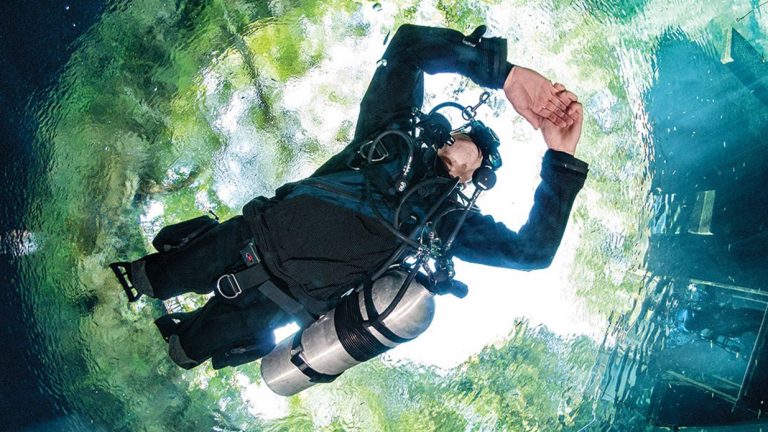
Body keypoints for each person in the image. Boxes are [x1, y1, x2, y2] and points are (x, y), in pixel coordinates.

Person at [111, 23, 588, 370]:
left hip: (281, 305)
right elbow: (407, 49)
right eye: (472, 144)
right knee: (145, 279)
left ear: (473, 183)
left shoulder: (443, 222)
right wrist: (503, 74)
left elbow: (531, 252)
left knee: (185, 352)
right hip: (246, 239)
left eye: (479, 168)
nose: (470, 161)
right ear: (450, 132)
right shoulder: (389, 135)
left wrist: (561, 158)